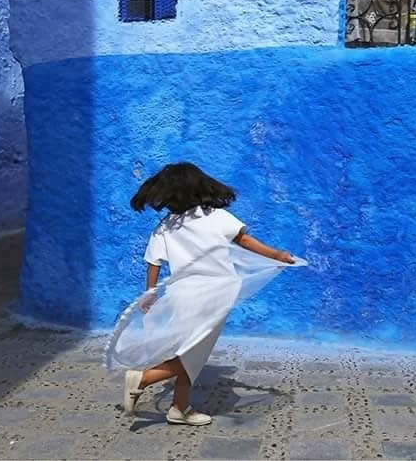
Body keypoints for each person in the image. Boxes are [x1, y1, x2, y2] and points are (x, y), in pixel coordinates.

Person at [117, 162, 298, 426]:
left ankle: (179, 408)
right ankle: (143, 379)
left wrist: (150, 292)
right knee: (192, 354)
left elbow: (153, 260)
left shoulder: (167, 226)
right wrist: (277, 255)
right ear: (201, 185)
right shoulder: (216, 217)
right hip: (212, 296)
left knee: (189, 352)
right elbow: (245, 241)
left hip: (183, 296)